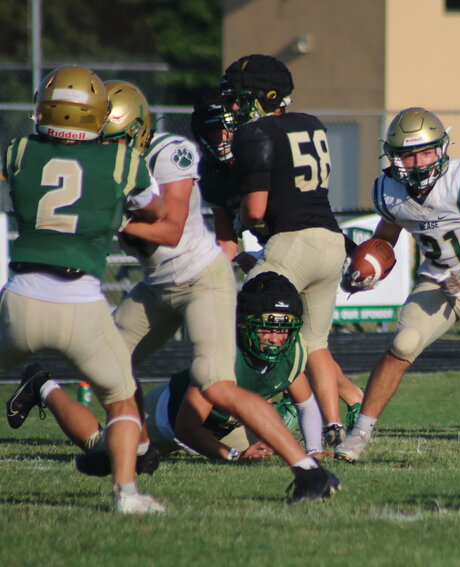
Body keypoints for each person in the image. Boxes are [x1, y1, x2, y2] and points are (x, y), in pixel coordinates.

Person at [11, 79, 341, 502]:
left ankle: (309, 471)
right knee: (100, 367)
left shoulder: (169, 152)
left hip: (201, 280)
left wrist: (98, 219)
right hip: (156, 286)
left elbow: (167, 229)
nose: (100, 147)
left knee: (216, 383)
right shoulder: (100, 160)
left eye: (108, 138)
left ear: (136, 132)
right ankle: (127, 443)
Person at [2, 65, 166, 513]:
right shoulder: (121, 160)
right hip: (81, 304)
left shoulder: (18, 150)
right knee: (121, 397)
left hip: (22, 297)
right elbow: (155, 210)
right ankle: (126, 493)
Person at [334, 107, 460, 463]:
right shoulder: (390, 191)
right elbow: (384, 240)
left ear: (442, 149)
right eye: (408, 155)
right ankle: (360, 433)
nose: (419, 162)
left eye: (426, 152)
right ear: (393, 158)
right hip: (437, 281)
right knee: (404, 342)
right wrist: (367, 267)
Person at [13, 272, 326, 468]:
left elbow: (305, 402)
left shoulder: (293, 353)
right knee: (103, 447)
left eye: (283, 330)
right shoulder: (223, 355)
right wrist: (230, 456)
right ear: (244, 325)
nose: (275, 338)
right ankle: (43, 385)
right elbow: (186, 427)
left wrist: (313, 450)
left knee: (272, 442)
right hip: (168, 418)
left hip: (224, 425)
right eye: (266, 329)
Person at [219, 55, 362, 444]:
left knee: (255, 325)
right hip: (330, 243)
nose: (234, 105)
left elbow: (257, 210)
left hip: (293, 243)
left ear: (262, 96)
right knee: (315, 342)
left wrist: (240, 223)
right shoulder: (311, 123)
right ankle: (332, 424)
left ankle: (250, 418)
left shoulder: (257, 133)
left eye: (240, 96)